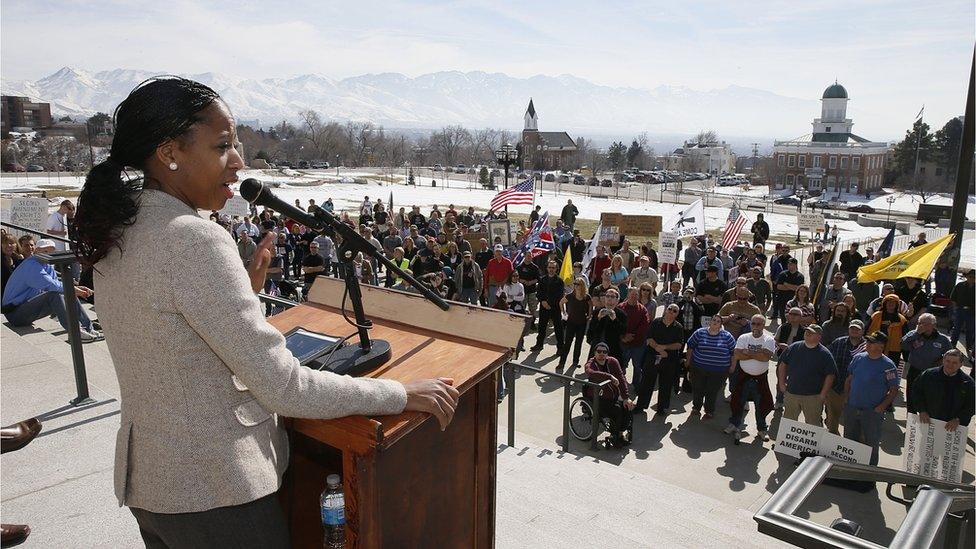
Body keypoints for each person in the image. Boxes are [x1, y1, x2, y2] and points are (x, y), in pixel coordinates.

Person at [70, 77, 459, 545]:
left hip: (156, 488)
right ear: (169, 152)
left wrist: (244, 294)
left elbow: (169, 340)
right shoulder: (193, 237)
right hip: (216, 493)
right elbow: (286, 388)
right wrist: (402, 393)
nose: (238, 162)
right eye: (221, 146)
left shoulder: (122, 223)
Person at [1, 239, 102, 341]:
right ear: (36, 252)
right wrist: (74, 289)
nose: (48, 254)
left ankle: (89, 328)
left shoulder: (47, 265)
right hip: (14, 313)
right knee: (56, 295)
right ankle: (75, 333)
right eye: (44, 251)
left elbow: (58, 284)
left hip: (26, 309)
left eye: (51, 251)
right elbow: (50, 285)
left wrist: (77, 288)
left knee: (67, 292)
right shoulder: (31, 265)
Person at [843, 332, 900, 465]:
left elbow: (893, 390)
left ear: (881, 346)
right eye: (867, 341)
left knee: (871, 443)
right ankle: (849, 469)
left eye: (871, 342)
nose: (867, 344)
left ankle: (870, 473)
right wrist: (846, 397)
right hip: (852, 407)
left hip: (872, 412)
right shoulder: (858, 358)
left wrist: (881, 407)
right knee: (849, 440)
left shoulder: (888, 366)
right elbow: (849, 379)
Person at [726, 314, 776, 441]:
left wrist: (748, 352)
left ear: (763, 325)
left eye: (759, 324)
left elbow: (766, 358)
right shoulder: (744, 337)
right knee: (738, 402)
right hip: (743, 377)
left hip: (760, 378)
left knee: (762, 405)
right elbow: (737, 355)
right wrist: (758, 354)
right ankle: (734, 424)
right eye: (753, 323)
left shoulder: (768, 340)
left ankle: (762, 429)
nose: (756, 326)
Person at [777, 325, 836, 427]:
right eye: (807, 331)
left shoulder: (825, 354)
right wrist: (782, 384)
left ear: (819, 337)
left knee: (813, 425)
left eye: (811, 332)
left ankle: (814, 444)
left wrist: (823, 394)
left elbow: (830, 375)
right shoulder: (794, 347)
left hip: (813, 396)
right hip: (792, 393)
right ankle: (785, 443)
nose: (807, 333)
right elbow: (782, 364)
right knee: (788, 422)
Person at [635, 304, 685, 414]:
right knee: (646, 382)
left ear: (677, 314)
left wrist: (665, 347)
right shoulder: (656, 322)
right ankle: (640, 406)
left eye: (675, 311)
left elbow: (679, 344)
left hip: (669, 359)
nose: (671, 311)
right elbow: (649, 338)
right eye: (670, 309)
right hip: (652, 356)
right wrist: (659, 348)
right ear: (666, 310)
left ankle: (661, 408)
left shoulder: (678, 327)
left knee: (666, 385)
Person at [584, 342, 635, 448]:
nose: (601, 354)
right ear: (594, 353)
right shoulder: (591, 363)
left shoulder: (613, 361)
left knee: (628, 407)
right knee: (617, 410)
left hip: (612, 396)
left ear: (607, 353)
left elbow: (621, 378)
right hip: (598, 398)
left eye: (604, 352)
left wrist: (626, 398)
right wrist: (610, 377)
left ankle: (619, 433)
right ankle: (614, 435)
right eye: (599, 351)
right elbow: (590, 372)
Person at [686, 315, 736, 419]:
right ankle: (696, 407)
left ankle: (709, 410)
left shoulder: (727, 336)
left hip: (719, 371)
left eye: (718, 321)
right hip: (699, 368)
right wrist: (688, 361)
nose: (715, 322)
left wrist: (733, 366)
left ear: (721, 324)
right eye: (714, 320)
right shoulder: (700, 332)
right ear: (710, 322)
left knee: (712, 391)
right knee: (698, 388)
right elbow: (690, 346)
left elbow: (734, 352)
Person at [900, 313, 951, 414]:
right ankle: (911, 419)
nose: (921, 325)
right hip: (915, 370)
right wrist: (916, 333)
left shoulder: (943, 339)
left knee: (929, 396)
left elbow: (950, 354)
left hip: (932, 372)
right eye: (919, 323)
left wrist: (941, 362)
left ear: (933, 325)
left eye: (925, 323)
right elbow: (902, 345)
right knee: (911, 395)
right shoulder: (913, 335)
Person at [912, 349, 974, 431]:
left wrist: (959, 419)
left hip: (952, 428)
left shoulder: (968, 383)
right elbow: (916, 392)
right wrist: (922, 410)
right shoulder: (928, 375)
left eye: (954, 363)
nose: (950, 365)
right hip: (928, 422)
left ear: (961, 364)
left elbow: (972, 405)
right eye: (948, 361)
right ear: (943, 361)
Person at [826, 320, 866, 434]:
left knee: (853, 420)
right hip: (836, 387)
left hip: (856, 391)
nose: (854, 330)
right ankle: (833, 438)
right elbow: (828, 362)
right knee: (832, 418)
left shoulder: (868, 347)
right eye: (852, 328)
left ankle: (850, 443)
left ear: (862, 331)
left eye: (857, 329)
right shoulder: (838, 342)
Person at [618, 287, 650, 387]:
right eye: (632, 295)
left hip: (638, 344)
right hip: (623, 343)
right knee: (622, 365)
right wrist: (623, 336)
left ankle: (636, 385)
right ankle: (621, 384)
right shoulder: (620, 308)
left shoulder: (642, 310)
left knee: (637, 366)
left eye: (636, 295)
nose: (634, 297)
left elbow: (644, 326)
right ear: (628, 295)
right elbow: (616, 324)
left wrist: (632, 337)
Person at [558, 278, 592, 371]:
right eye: (575, 284)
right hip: (571, 323)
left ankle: (575, 362)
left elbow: (590, 305)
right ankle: (562, 362)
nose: (576, 286)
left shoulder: (587, 297)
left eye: (578, 284)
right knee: (567, 344)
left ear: (582, 286)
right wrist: (564, 312)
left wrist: (589, 315)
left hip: (582, 323)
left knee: (578, 344)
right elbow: (561, 302)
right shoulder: (569, 296)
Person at [531, 261, 565, 353]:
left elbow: (559, 295)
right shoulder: (543, 280)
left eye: (553, 268)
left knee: (558, 328)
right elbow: (539, 292)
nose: (551, 269)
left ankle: (561, 347)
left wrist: (550, 304)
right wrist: (543, 301)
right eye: (550, 267)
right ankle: (539, 344)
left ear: (556, 269)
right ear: (547, 268)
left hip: (555, 308)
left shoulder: (560, 281)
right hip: (543, 307)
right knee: (541, 327)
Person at [587, 288, 627, 362]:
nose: (609, 299)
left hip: (612, 348)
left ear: (617, 300)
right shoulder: (597, 312)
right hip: (597, 346)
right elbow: (591, 329)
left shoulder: (622, 314)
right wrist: (598, 318)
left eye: (612, 297)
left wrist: (615, 320)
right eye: (607, 296)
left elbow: (623, 331)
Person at [868, 294, 908, 365]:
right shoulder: (875, 316)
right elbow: (867, 330)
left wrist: (905, 353)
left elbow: (905, 337)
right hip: (875, 346)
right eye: (888, 302)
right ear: (884, 304)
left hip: (894, 350)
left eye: (893, 302)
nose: (890, 304)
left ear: (897, 305)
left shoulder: (902, 320)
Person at [949, 270, 974, 359]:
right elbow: (953, 297)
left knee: (970, 330)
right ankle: (953, 344)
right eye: (970, 277)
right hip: (960, 309)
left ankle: (969, 347)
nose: (972, 279)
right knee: (956, 328)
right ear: (967, 277)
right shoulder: (960, 285)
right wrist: (955, 309)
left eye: (974, 277)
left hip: (972, 312)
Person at [775, 259, 804, 323]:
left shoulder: (800, 276)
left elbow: (797, 288)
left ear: (795, 265)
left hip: (794, 301)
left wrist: (786, 284)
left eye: (791, 264)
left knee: (793, 318)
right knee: (783, 318)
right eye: (788, 264)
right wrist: (792, 287)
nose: (789, 265)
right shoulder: (783, 274)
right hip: (782, 300)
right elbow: (779, 286)